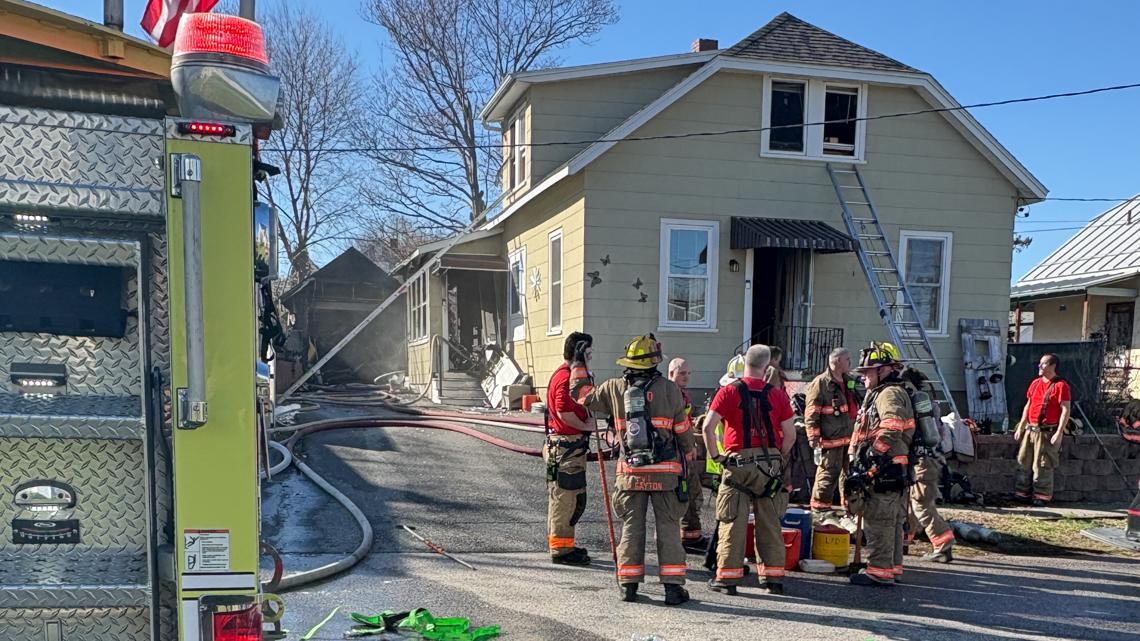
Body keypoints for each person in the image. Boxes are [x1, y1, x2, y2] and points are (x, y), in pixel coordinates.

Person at [570, 334, 693, 605]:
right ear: (656, 361)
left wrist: (578, 364)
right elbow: (683, 432)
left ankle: (628, 585)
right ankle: (672, 589)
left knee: (631, 528)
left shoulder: (614, 388)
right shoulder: (671, 389)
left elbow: (581, 396)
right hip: (666, 475)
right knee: (669, 529)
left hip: (631, 473)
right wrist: (689, 453)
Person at [703, 345, 797, 596]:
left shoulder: (728, 392)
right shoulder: (777, 395)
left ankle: (727, 579)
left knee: (732, 520)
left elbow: (707, 428)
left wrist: (716, 456)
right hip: (769, 465)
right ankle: (773, 579)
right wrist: (779, 458)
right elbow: (790, 434)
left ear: (744, 362)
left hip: (737, 464)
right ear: (768, 367)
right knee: (769, 522)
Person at [846, 342, 914, 587]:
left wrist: (873, 455)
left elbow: (892, 425)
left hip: (885, 469)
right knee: (892, 521)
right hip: (891, 468)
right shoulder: (881, 392)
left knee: (880, 520)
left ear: (884, 370)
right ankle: (891, 568)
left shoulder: (889, 394)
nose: (863, 377)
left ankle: (879, 570)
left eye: (867, 372)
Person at [543, 332, 598, 566]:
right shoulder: (566, 378)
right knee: (567, 500)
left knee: (566, 499)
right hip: (567, 449)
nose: (592, 356)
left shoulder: (562, 374)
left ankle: (564, 545)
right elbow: (565, 413)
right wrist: (587, 425)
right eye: (589, 352)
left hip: (563, 448)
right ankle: (562, 550)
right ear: (581, 352)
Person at [898, 367, 955, 563]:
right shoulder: (928, 405)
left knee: (921, 504)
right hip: (927, 460)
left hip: (922, 462)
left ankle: (943, 545)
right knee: (912, 502)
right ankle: (906, 539)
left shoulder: (914, 404)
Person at [803, 347, 858, 523]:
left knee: (849, 477)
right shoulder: (821, 384)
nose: (850, 362)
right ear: (837, 362)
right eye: (847, 359)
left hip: (848, 440)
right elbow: (812, 412)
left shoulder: (849, 381)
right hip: (829, 441)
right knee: (827, 475)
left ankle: (848, 512)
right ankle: (820, 513)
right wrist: (813, 437)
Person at [1014, 353, 1071, 506]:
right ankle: (1022, 492)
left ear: (1052, 366)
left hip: (1047, 432)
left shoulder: (1061, 386)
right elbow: (1029, 405)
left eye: (1043, 364)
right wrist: (1021, 425)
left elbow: (1065, 409)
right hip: (1030, 430)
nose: (1040, 366)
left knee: (1043, 464)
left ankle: (1041, 495)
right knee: (1023, 461)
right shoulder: (1035, 383)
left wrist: (1059, 432)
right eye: (1040, 363)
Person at [669, 357, 708, 552]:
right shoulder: (673, 394)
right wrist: (687, 448)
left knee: (692, 492)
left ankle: (691, 534)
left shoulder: (681, 394)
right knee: (688, 493)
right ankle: (690, 537)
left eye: (688, 373)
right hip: (680, 453)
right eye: (682, 373)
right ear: (671, 374)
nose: (686, 377)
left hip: (684, 450)